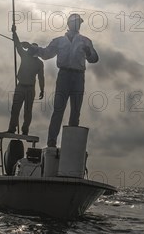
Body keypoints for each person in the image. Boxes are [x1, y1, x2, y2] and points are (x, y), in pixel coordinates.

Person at [28, 13, 98, 147]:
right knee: (58, 109)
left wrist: (88, 52)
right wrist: (34, 49)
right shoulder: (58, 41)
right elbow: (46, 54)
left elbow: (94, 58)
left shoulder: (85, 41)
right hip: (64, 76)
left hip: (78, 77)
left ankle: (70, 145)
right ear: (69, 24)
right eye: (76, 22)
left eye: (79, 22)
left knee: (75, 111)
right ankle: (52, 142)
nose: (78, 25)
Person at [6, 26, 45, 135]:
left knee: (27, 111)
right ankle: (12, 128)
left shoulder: (38, 62)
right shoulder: (25, 55)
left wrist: (42, 89)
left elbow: (41, 77)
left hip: (30, 89)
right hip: (21, 86)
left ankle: (25, 130)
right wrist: (14, 32)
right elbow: (17, 44)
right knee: (15, 109)